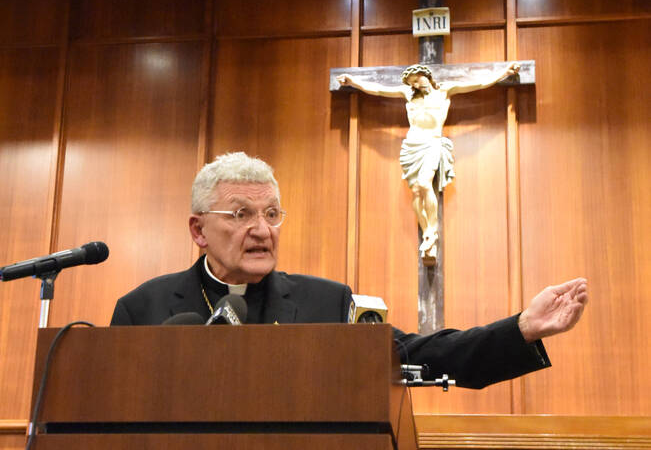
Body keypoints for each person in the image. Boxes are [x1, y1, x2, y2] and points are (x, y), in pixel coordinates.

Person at [111, 152, 588, 389]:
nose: (262, 229)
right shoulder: (142, 309)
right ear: (199, 230)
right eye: (241, 215)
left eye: (272, 214)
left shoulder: (328, 303)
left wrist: (522, 328)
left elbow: (425, 356)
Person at [337, 63, 520, 263]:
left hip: (432, 142)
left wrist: (504, 73)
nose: (415, 84)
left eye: (417, 79)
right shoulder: (408, 94)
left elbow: (480, 83)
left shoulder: (444, 91)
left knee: (425, 183)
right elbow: (379, 89)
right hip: (411, 146)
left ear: (426, 75)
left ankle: (432, 230)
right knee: (416, 190)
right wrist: (354, 82)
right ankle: (427, 232)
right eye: (412, 82)